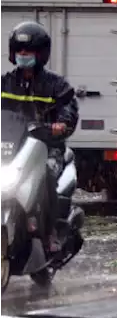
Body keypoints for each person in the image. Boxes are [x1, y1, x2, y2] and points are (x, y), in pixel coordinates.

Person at [0, 22, 78, 252]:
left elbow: (69, 111)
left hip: (45, 147)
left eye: (29, 51)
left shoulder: (57, 85)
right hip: (10, 146)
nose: (23, 55)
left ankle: (50, 231)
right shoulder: (4, 83)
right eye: (19, 51)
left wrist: (61, 125)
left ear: (41, 54)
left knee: (46, 177)